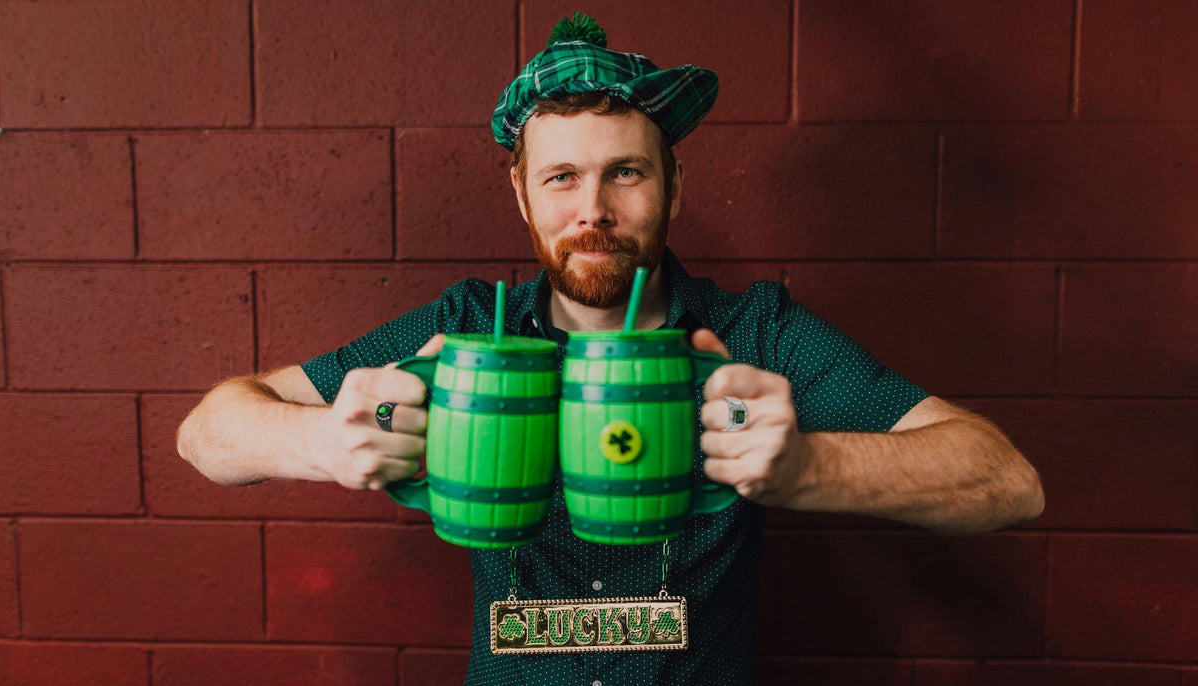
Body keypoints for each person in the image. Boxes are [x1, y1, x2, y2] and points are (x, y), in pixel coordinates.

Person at [177, 14, 1044, 685]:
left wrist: (807, 467)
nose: (593, 208)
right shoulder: (465, 331)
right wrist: (321, 442)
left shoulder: (753, 336)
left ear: (673, 183)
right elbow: (207, 435)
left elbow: (1007, 482)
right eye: (561, 177)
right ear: (522, 195)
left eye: (625, 172)